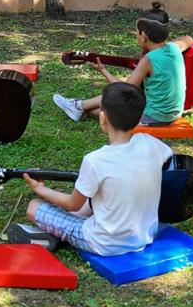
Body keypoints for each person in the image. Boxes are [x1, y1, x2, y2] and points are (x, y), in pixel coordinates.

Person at [15, 82, 174, 255]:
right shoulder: (152, 144)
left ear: (102, 117)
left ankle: (53, 237)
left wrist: (40, 189)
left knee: (34, 206)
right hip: (143, 235)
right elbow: (168, 160)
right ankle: (54, 234)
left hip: (103, 242)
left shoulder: (95, 160)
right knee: (90, 204)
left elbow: (72, 205)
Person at [53, 2, 193, 126]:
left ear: (143, 36)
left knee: (112, 103)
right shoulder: (175, 48)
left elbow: (124, 90)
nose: (136, 36)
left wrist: (103, 70)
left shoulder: (148, 60)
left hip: (154, 117)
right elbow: (189, 39)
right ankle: (78, 106)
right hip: (174, 112)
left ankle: (80, 107)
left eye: (136, 33)